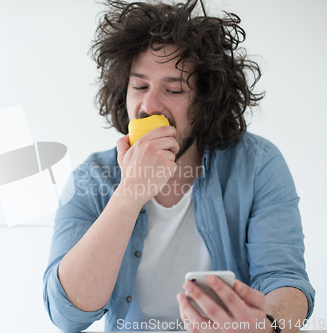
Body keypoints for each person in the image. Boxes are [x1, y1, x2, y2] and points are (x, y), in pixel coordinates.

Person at [43, 0, 315, 332]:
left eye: (173, 89)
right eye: (140, 86)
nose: (149, 104)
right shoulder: (90, 178)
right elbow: (67, 315)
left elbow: (284, 279)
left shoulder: (258, 164)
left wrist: (267, 326)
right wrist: (130, 194)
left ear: (206, 103)